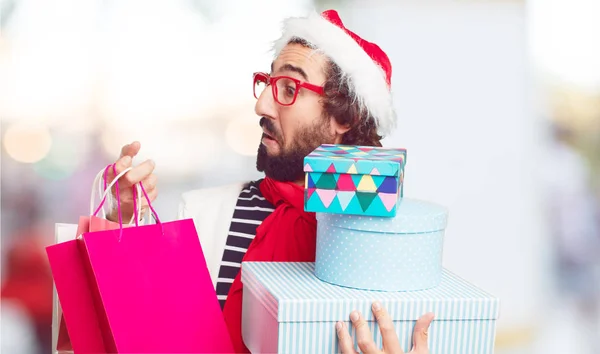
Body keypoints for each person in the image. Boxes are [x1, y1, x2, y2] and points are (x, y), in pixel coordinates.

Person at [104, 9, 434, 353]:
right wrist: (120, 222)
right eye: (267, 83)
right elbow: (133, 333)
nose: (262, 105)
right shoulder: (202, 215)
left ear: (344, 117)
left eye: (289, 88)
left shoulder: (393, 239)